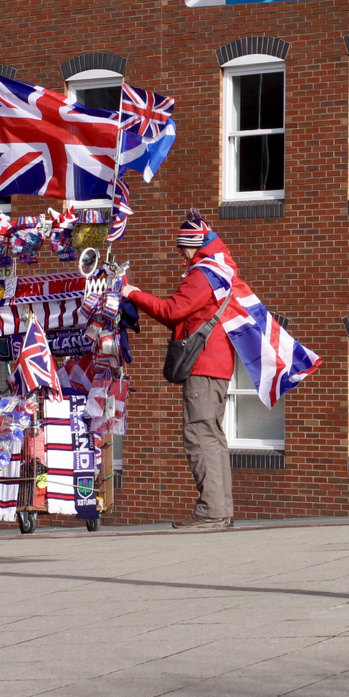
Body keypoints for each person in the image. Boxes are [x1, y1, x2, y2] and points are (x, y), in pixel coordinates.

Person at [122, 209, 235, 531]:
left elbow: (173, 311)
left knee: (199, 437)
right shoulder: (219, 269)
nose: (182, 256)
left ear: (195, 246)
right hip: (216, 365)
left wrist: (132, 293)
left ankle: (211, 512)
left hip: (203, 365)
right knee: (212, 437)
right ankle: (220, 509)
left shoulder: (205, 274)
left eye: (184, 249)